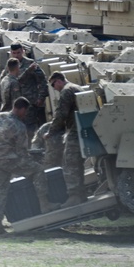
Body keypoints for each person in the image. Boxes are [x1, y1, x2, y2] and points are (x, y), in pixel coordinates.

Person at [0, 97, 54, 234]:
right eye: (25, 111)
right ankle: (44, 204)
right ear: (22, 109)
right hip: (9, 160)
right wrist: (31, 160)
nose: (25, 114)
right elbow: (21, 152)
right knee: (38, 170)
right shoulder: (19, 126)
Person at [50, 72, 86, 206]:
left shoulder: (66, 91)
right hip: (83, 129)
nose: (54, 88)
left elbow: (61, 114)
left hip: (75, 130)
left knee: (69, 162)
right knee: (77, 162)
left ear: (59, 80)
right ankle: (81, 194)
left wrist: (51, 132)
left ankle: (74, 195)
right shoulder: (77, 87)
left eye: (54, 84)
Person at [7, 43, 48, 138]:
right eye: (14, 53)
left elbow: (42, 81)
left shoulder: (30, 64)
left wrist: (41, 97)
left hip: (31, 102)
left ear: (23, 51)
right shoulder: (10, 65)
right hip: (16, 103)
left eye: (18, 52)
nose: (16, 55)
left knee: (31, 128)